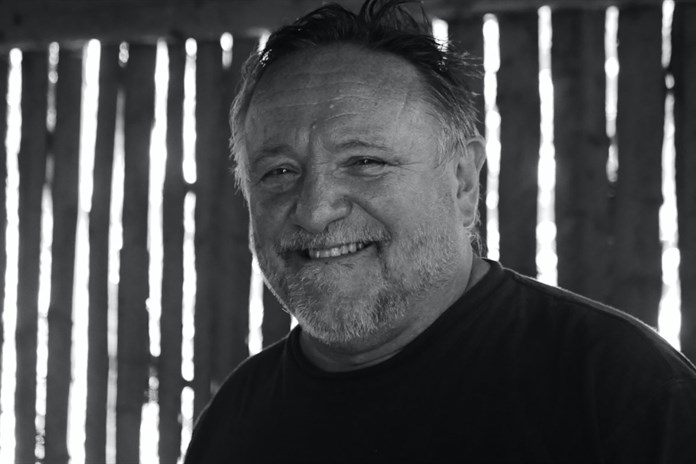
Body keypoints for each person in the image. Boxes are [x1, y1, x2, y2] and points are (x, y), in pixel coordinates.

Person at [184, 0, 696, 462]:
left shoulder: (622, 393)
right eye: (279, 172)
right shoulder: (233, 422)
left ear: (463, 182)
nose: (315, 211)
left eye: (365, 161)